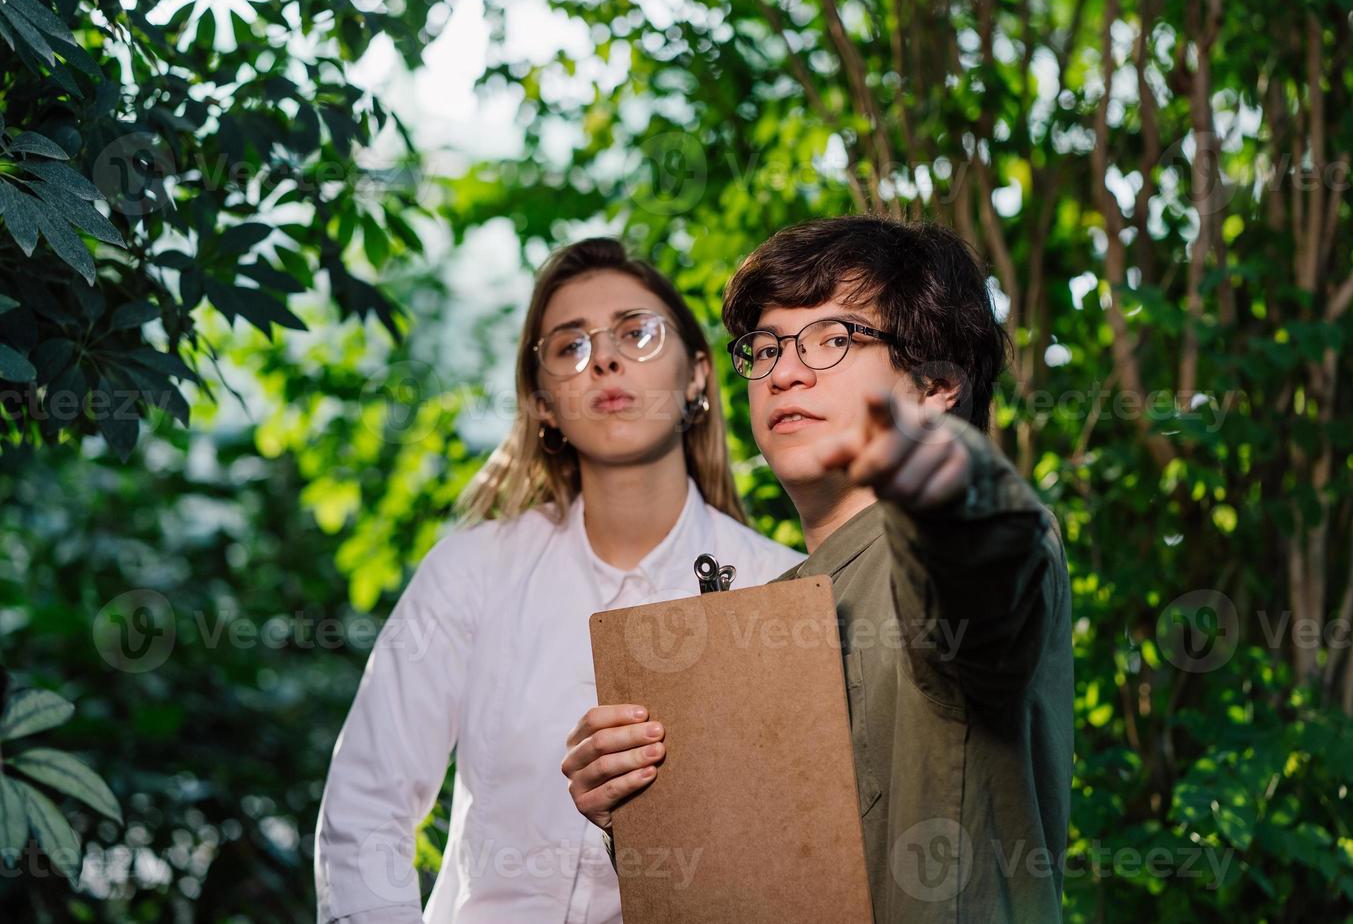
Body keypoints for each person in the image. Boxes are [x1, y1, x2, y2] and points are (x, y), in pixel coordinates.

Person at [562, 217, 1074, 922]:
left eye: (835, 340)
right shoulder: (768, 613)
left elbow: (981, 566)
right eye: (765, 349)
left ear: (936, 387)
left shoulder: (966, 543)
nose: (786, 372)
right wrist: (637, 807)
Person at [314, 238, 804, 923]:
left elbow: (796, 857)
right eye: (569, 346)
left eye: (635, 332)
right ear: (545, 405)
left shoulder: (777, 591)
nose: (603, 358)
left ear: (697, 376)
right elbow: (366, 808)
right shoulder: (470, 572)